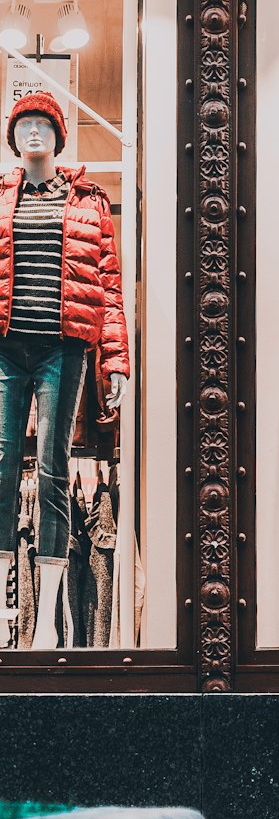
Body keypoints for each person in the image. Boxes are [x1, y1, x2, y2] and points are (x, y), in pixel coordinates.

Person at [0, 91, 129, 649]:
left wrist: (116, 360)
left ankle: (48, 620)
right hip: (6, 346)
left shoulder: (88, 202)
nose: (33, 133)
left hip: (63, 348)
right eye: (23, 125)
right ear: (13, 138)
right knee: (3, 465)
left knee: (52, 467)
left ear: (58, 136)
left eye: (42, 125)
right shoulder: (0, 197)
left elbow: (110, 286)